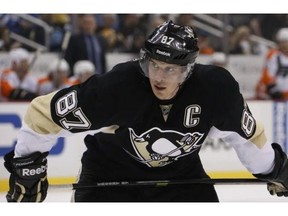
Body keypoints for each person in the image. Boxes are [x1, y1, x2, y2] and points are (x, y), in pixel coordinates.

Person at [3, 20, 288, 202]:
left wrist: (276, 168)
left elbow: (245, 136)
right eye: (154, 64)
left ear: (187, 70)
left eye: (170, 69)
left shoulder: (215, 88)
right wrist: (28, 166)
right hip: (109, 178)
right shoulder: (119, 86)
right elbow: (43, 113)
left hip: (182, 181)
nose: (159, 77)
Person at [255, 27, 288, 100]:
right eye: (282, 42)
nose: (284, 45)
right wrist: (273, 88)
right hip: (276, 92)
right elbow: (267, 74)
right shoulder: (274, 55)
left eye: (286, 42)